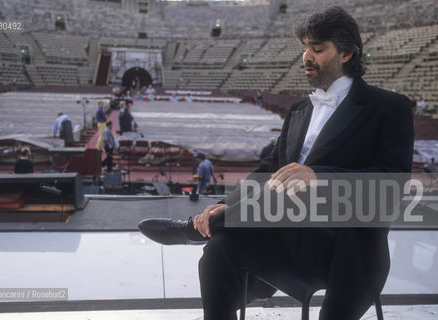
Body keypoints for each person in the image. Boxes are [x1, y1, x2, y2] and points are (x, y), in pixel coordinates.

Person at [139, 7, 414, 320]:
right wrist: (222, 203)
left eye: (318, 49)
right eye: (305, 48)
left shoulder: (389, 108)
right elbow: (267, 171)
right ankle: (216, 221)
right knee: (218, 253)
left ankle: (194, 230)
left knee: (274, 203)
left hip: (343, 248)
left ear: (347, 53)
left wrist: (318, 177)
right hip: (286, 234)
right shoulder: (299, 110)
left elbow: (391, 188)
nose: (306, 57)